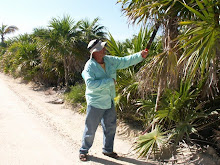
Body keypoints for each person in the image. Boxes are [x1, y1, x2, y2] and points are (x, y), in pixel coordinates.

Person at [79, 39, 148, 161]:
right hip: (95, 102)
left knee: (110, 127)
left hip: (109, 100)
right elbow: (90, 84)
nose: (104, 49)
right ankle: (83, 151)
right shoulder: (89, 67)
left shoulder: (109, 60)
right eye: (102, 48)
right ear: (95, 52)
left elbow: (124, 61)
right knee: (90, 128)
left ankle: (107, 150)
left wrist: (139, 56)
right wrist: (109, 82)